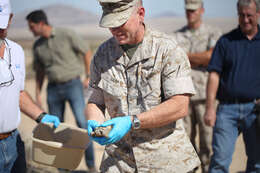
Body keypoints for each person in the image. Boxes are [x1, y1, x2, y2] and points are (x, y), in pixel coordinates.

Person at [86, 0, 201, 172]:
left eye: (120, 22)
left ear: (140, 14)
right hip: (120, 161)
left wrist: (132, 122)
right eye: (110, 24)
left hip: (165, 160)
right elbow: (95, 100)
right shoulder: (102, 55)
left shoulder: (167, 50)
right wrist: (94, 122)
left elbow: (180, 105)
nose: (114, 29)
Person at [25, 10, 96, 172]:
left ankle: (91, 165)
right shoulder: (37, 46)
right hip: (53, 89)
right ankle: (63, 168)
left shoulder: (66, 34)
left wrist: (88, 76)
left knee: (83, 123)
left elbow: (86, 51)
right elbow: (40, 72)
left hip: (73, 85)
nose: (30, 31)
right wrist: (37, 94)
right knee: (55, 128)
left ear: (41, 23)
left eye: (32, 27)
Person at [0, 0, 60, 172]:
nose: (1, 30)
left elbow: (17, 92)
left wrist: (41, 116)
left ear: (10, 19)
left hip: (13, 141)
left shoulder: (17, 51)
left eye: (2, 24)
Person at [204, 0, 260, 172]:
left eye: (249, 15)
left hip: (255, 110)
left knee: (257, 163)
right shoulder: (225, 42)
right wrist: (210, 108)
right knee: (220, 161)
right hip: (227, 111)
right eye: (241, 15)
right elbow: (214, 75)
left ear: (258, 14)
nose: (245, 20)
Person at [173, 0, 222, 172]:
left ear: (202, 10)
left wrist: (186, 56)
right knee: (185, 142)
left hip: (205, 97)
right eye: (188, 10)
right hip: (182, 97)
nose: (190, 13)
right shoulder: (176, 36)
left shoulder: (213, 33)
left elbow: (211, 57)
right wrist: (198, 59)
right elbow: (174, 59)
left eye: (193, 10)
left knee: (207, 144)